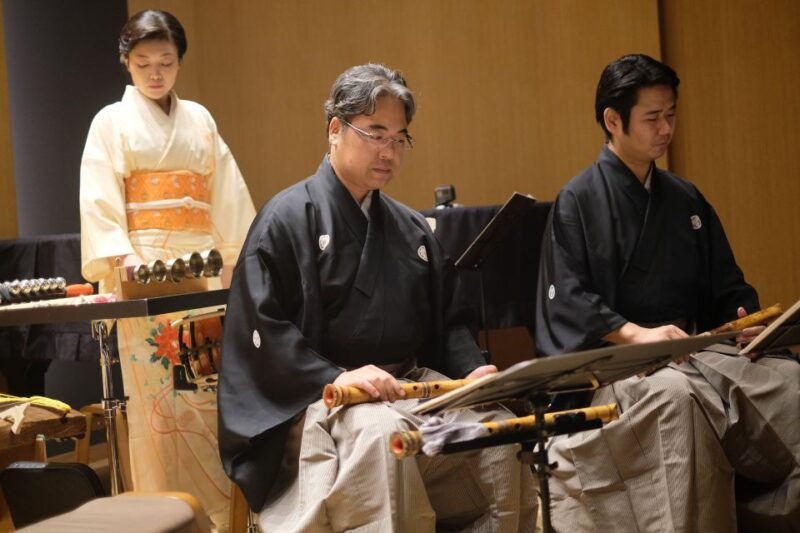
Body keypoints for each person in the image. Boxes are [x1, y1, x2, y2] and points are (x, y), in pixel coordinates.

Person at [219, 63, 536, 532]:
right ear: (334, 129)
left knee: (495, 430)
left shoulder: (411, 229)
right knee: (385, 435)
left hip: (406, 386)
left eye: (399, 138)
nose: (389, 151)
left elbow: (447, 322)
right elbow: (263, 332)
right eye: (375, 133)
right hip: (320, 399)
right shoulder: (285, 219)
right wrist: (339, 375)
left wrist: (473, 372)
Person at [535, 53, 800, 532]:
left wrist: (747, 318)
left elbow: (726, 284)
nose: (665, 129)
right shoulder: (579, 198)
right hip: (620, 368)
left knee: (791, 384)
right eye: (652, 118)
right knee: (677, 398)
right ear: (612, 121)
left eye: (671, 115)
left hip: (694, 351)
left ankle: (766, 517)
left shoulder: (684, 197)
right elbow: (569, 301)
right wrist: (636, 335)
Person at [79, 10, 255, 531]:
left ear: (179, 61)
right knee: (159, 408)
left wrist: (232, 259)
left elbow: (227, 196)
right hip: (145, 271)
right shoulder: (110, 122)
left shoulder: (199, 118)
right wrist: (123, 257)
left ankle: (223, 516)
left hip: (202, 268)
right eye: (143, 63)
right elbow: (99, 198)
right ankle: (166, 518)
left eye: (166, 62)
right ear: (125, 63)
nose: (155, 73)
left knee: (209, 394)